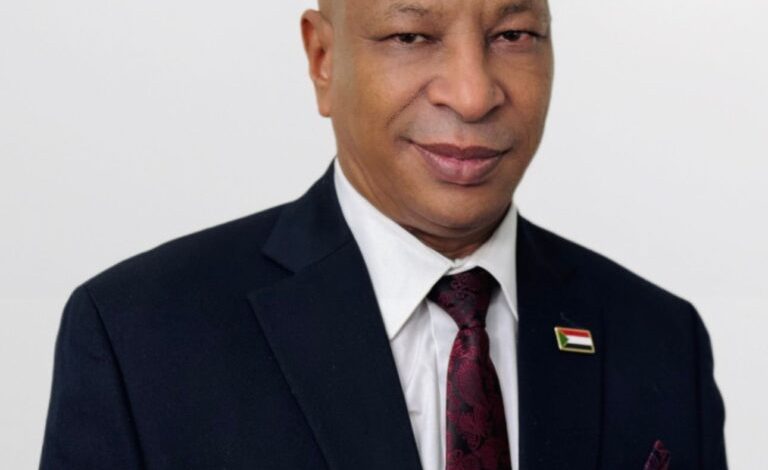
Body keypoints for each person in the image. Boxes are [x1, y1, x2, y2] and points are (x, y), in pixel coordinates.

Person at [39, 0, 727, 469]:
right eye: (411, 36)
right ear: (323, 58)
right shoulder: (139, 337)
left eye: (513, 35)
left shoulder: (662, 341)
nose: (472, 94)